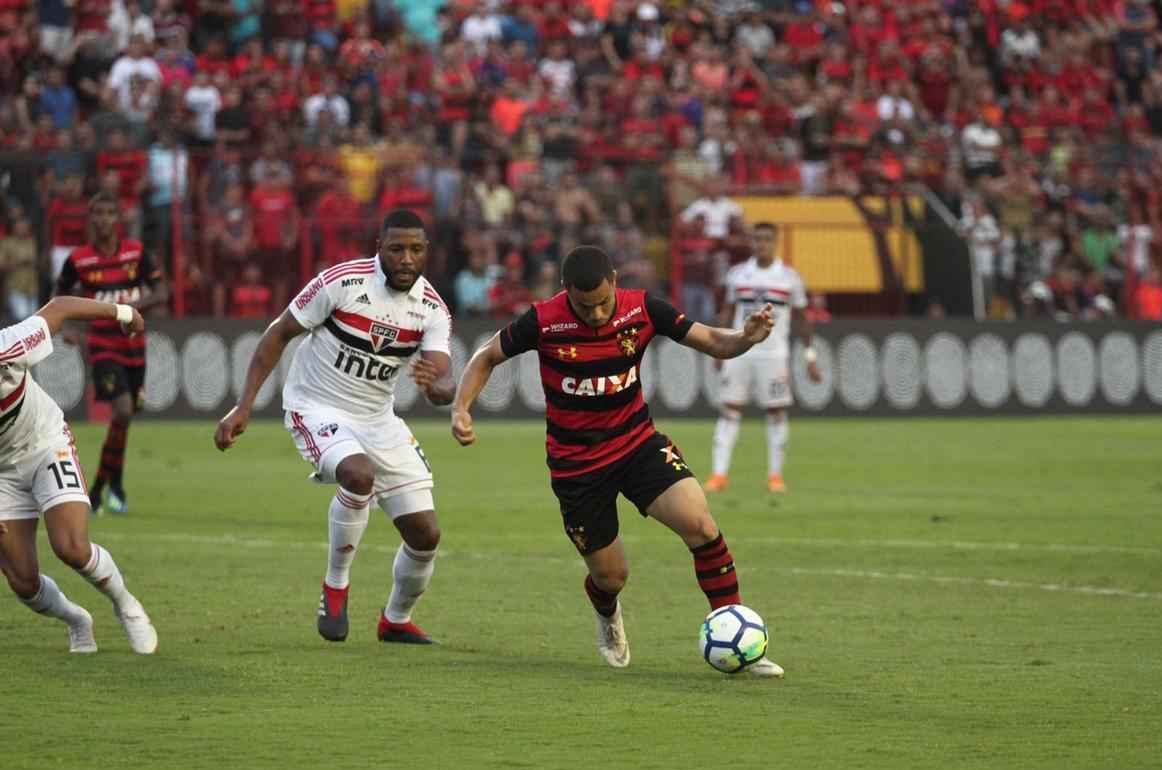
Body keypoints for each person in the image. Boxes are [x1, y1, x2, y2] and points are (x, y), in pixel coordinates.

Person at [451, 245, 785, 677]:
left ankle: (741, 641)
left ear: (614, 279)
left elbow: (711, 341)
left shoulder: (643, 309)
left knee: (701, 526)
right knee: (611, 577)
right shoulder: (544, 320)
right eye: (584, 306)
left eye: (603, 302)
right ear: (564, 291)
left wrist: (744, 338)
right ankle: (607, 613)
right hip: (577, 468)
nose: (595, 314)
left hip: (636, 445)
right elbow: (486, 356)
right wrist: (462, 407)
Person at [214, 210, 454, 646]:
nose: (406, 258)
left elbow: (443, 379)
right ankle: (335, 587)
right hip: (316, 405)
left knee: (426, 534)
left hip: (379, 419)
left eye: (415, 250)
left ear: (426, 253)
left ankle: (395, 620)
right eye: (396, 248)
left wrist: (439, 387)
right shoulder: (341, 283)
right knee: (357, 474)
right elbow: (277, 334)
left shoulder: (432, 309)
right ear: (378, 246)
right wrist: (243, 407)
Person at [0, 296, 158, 654]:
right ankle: (76, 619)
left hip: (43, 443)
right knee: (23, 582)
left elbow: (59, 309)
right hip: (2, 471)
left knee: (70, 547)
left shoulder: (9, 347)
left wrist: (124, 312)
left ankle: (126, 604)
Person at [56, 191, 168, 515]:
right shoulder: (79, 260)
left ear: (119, 219)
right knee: (121, 411)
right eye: (98, 213)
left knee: (125, 419)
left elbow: (162, 289)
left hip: (135, 348)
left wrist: (131, 309)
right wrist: (67, 327)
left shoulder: (136, 254)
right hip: (103, 346)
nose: (104, 220)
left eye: (109, 213)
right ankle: (100, 492)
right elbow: (59, 294)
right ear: (91, 219)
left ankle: (108, 487)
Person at [705, 222, 821, 494]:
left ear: (775, 242)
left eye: (767, 239)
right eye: (758, 239)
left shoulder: (790, 278)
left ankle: (775, 476)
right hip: (739, 351)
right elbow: (727, 312)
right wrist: (719, 347)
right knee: (730, 408)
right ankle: (719, 475)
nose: (762, 244)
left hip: (774, 354)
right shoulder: (737, 275)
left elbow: (803, 320)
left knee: (776, 411)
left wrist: (810, 355)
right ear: (752, 242)